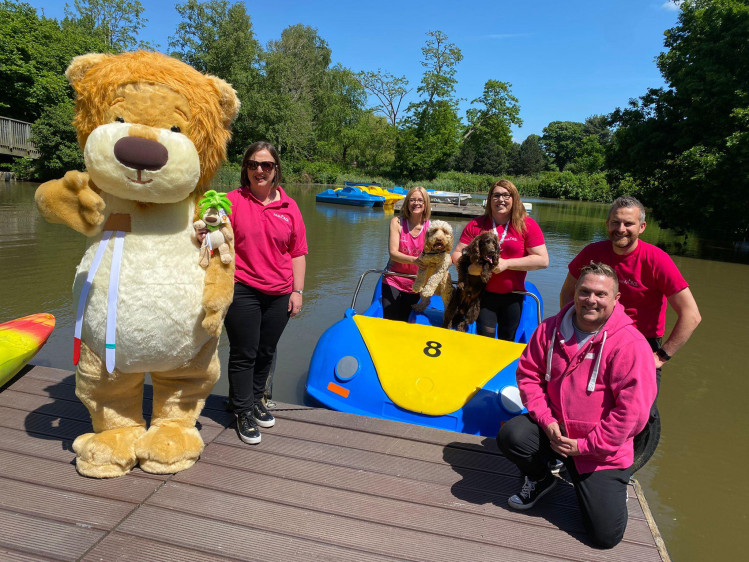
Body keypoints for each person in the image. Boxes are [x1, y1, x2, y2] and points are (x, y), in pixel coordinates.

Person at [498, 263, 657, 549]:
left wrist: (584, 447)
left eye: (600, 294)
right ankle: (541, 478)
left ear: (616, 299)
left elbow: (631, 415)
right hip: (555, 432)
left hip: (601, 450)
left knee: (605, 537)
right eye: (584, 291)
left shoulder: (632, 345)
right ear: (574, 293)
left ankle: (614, 486)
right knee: (513, 435)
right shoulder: (549, 329)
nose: (591, 300)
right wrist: (547, 422)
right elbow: (528, 376)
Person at [559, 196, 701, 469]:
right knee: (579, 400)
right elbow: (568, 292)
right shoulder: (593, 252)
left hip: (640, 346)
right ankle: (572, 457)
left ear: (642, 227)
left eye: (628, 223)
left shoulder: (656, 260)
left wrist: (661, 356)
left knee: (640, 414)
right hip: (593, 338)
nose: (621, 229)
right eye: (615, 222)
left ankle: (624, 471)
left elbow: (691, 315)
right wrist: (569, 328)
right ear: (607, 223)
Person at [224, 141, 307, 445]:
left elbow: (297, 252)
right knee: (244, 352)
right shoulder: (230, 202)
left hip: (280, 292)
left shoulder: (290, 206)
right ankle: (243, 410)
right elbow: (211, 240)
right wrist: (201, 231)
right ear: (245, 169)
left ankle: (255, 399)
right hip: (242, 288)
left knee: (266, 351)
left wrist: (297, 291)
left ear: (275, 170)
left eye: (266, 165)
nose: (260, 170)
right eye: (253, 164)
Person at [450, 180, 548, 340]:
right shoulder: (476, 224)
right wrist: (468, 268)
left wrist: (507, 264)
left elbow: (542, 260)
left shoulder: (526, 225)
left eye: (506, 195)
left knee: (507, 339)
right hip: (483, 294)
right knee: (485, 337)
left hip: (513, 295)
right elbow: (457, 253)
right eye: (496, 195)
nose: (501, 199)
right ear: (490, 199)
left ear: (514, 199)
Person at [382, 186, 432, 322]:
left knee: (405, 320)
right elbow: (393, 253)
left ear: (425, 204)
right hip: (394, 278)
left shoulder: (431, 228)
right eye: (412, 200)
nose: (416, 203)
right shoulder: (397, 222)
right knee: (390, 319)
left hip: (415, 282)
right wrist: (415, 260)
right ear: (407, 203)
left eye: (420, 200)